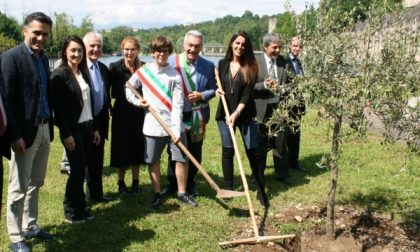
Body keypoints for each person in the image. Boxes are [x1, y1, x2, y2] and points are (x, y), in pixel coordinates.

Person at [1, 12, 54, 252]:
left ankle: (30, 226)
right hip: (24, 134)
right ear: (25, 31)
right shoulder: (10, 58)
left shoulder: (43, 59)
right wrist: (14, 135)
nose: (40, 38)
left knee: (36, 182)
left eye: (44, 34)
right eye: (36, 33)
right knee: (18, 186)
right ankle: (15, 236)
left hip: (43, 129)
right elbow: (5, 100)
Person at [125, 36, 197, 209]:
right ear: (152, 53)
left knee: (181, 159)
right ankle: (157, 194)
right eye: (158, 50)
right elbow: (128, 87)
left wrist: (176, 130)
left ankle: (181, 192)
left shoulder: (175, 75)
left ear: (169, 52)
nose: (161, 54)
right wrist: (137, 102)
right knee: (153, 160)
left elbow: (178, 104)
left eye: (165, 50)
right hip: (152, 126)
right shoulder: (144, 71)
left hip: (174, 126)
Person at [215, 31, 269, 208]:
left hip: (245, 115)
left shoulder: (251, 66)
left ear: (247, 48)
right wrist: (217, 91)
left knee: (253, 151)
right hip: (224, 115)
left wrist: (236, 114)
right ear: (231, 44)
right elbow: (219, 86)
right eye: (237, 43)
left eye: (243, 45)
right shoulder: (222, 64)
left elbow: (246, 96)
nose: (239, 47)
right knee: (228, 151)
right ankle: (228, 188)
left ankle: (261, 191)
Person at [51, 35, 101, 224]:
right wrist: (66, 134)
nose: (77, 54)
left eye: (80, 50)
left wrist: (95, 128)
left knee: (82, 169)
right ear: (65, 51)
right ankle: (71, 210)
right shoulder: (59, 74)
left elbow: (90, 102)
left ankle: (81, 206)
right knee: (77, 171)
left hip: (88, 127)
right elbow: (59, 109)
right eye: (73, 50)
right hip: (74, 130)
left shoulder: (83, 72)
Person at [164, 30, 217, 197]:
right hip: (176, 115)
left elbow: (215, 89)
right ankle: (173, 183)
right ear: (184, 45)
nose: (193, 49)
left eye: (197, 46)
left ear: (201, 46)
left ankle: (191, 183)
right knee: (174, 150)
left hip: (197, 115)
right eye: (190, 45)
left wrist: (202, 95)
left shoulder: (208, 65)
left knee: (195, 150)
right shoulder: (171, 61)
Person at [109, 36, 145, 196]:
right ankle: (121, 182)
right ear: (122, 49)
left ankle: (136, 182)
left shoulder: (145, 68)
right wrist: (108, 107)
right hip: (121, 112)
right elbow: (107, 91)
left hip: (139, 112)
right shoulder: (115, 67)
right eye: (126, 49)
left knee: (137, 146)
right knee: (121, 147)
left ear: (138, 50)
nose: (129, 52)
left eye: (133, 49)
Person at [254, 33, 291, 185]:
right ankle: (258, 175)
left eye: (279, 47)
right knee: (260, 144)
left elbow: (292, 84)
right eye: (274, 47)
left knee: (280, 143)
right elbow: (249, 86)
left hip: (280, 109)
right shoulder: (255, 62)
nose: (278, 50)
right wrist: (264, 85)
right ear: (265, 47)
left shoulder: (284, 62)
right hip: (261, 110)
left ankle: (282, 174)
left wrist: (281, 88)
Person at [83, 32, 112, 203]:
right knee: (84, 161)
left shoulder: (103, 69)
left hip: (101, 120)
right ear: (84, 47)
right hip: (85, 121)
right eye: (92, 46)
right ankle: (83, 197)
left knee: (98, 159)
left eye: (98, 46)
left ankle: (96, 194)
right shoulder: (78, 68)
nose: (95, 49)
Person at [286, 36, 306, 172]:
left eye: (299, 46)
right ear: (289, 46)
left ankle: (294, 162)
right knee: (286, 135)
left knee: (296, 133)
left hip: (298, 103)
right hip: (287, 104)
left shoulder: (298, 62)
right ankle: (285, 163)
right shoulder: (284, 61)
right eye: (295, 46)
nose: (297, 48)